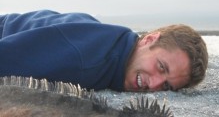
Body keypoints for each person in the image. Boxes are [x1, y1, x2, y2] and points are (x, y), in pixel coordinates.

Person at [0, 10, 208, 92]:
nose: (153, 84)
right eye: (160, 67)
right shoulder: (84, 60)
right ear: (150, 40)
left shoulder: (115, 42)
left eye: (166, 86)